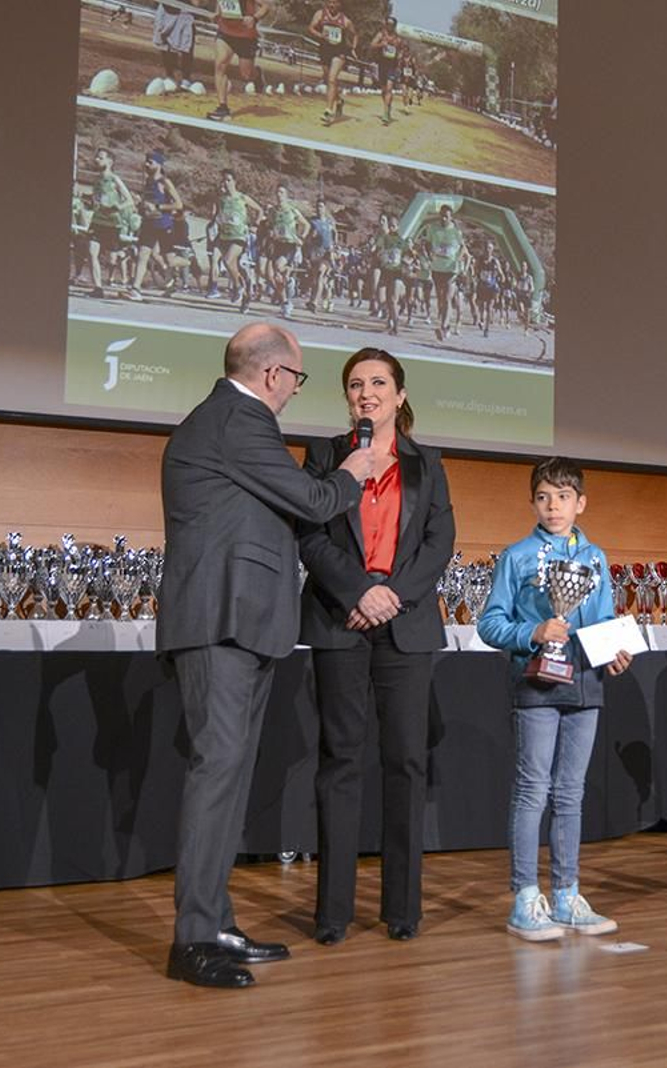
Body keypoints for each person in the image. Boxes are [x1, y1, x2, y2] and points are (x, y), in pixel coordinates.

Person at [159, 323, 378, 988]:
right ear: (273, 375)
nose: (292, 391)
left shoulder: (228, 420)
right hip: (219, 621)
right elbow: (310, 499)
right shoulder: (237, 418)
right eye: (298, 379)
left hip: (243, 623)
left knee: (227, 778)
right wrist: (352, 473)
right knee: (216, 773)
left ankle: (214, 921)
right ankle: (192, 938)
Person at [298, 348, 455, 945]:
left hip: (405, 623)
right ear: (348, 399)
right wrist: (360, 591)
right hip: (341, 619)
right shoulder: (325, 457)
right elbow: (310, 533)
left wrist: (392, 595)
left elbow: (440, 540)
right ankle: (333, 912)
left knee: (406, 763)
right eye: (356, 385)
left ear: (401, 394)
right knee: (340, 760)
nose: (367, 393)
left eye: (379, 383)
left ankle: (402, 909)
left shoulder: (428, 462)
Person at [478, 457, 634, 942]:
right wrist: (534, 631)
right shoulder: (517, 556)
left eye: (563, 496)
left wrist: (614, 653)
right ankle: (526, 897)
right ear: (532, 502)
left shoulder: (596, 558)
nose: (553, 506)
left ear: (580, 503)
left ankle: (567, 893)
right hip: (537, 684)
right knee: (533, 790)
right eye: (543, 496)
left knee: (570, 793)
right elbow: (490, 623)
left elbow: (605, 618)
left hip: (585, 684)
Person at [131, 149, 188, 300]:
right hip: (149, 224)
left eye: (150, 162)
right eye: (146, 161)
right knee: (143, 255)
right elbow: (148, 204)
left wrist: (157, 208)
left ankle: (188, 261)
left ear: (159, 164)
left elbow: (178, 204)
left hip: (164, 225)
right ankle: (135, 289)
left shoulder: (164, 182)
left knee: (170, 261)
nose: (146, 164)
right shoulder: (147, 182)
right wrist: (140, 204)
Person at [85, 147, 136, 300]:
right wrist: (92, 204)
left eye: (100, 157)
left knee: (113, 257)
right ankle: (98, 288)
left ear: (110, 161)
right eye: (96, 157)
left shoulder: (115, 179)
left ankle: (128, 278)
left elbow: (130, 201)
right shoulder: (97, 180)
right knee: (91, 252)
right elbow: (96, 200)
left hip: (112, 223)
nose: (96, 160)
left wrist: (117, 207)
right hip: (97, 221)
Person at [207, 0, 270, 122]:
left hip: (246, 36)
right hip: (225, 32)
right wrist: (217, 13)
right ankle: (222, 108)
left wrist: (254, 18)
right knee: (220, 64)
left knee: (246, 74)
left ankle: (256, 74)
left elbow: (266, 6)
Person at [211, 170, 262, 312]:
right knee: (232, 266)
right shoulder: (220, 199)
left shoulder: (242, 198)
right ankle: (245, 296)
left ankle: (238, 287)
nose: (225, 183)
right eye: (223, 180)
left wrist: (255, 224)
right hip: (224, 236)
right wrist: (213, 225)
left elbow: (259, 210)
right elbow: (216, 216)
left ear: (234, 182)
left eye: (228, 180)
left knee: (227, 261)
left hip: (239, 236)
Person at [419, 203, 466, 342]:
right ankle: (447, 325)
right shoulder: (433, 228)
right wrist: (429, 255)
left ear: (451, 217)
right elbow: (427, 243)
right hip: (437, 268)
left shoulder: (456, 232)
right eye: (442, 216)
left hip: (451, 270)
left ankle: (443, 327)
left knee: (447, 298)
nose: (444, 219)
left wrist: (457, 259)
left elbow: (463, 248)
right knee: (441, 299)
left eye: (447, 216)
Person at [264, 184, 310, 319]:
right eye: (277, 192)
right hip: (277, 244)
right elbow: (270, 225)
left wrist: (301, 237)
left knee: (278, 267)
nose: (279, 195)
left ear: (286, 195)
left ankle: (289, 276)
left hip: (290, 245)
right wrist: (270, 232)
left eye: (282, 192)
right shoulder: (272, 211)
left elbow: (306, 224)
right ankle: (285, 303)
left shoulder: (292, 211)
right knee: (275, 277)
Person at [309, 0, 356, 127]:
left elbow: (355, 35)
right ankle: (339, 101)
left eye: (335, 3)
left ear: (340, 4)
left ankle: (328, 112)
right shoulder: (320, 14)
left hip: (339, 52)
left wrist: (352, 48)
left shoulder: (345, 20)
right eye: (329, 2)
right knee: (327, 79)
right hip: (324, 50)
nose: (331, 5)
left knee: (331, 79)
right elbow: (311, 28)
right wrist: (320, 35)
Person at [368, 18, 407, 125]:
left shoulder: (398, 39)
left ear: (394, 26)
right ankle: (388, 107)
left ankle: (385, 113)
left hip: (392, 66)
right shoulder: (381, 35)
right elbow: (372, 45)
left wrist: (399, 56)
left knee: (389, 88)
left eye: (391, 24)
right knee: (384, 90)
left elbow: (402, 50)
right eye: (387, 24)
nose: (389, 26)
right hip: (382, 64)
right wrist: (381, 45)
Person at [153, 3, 196, 87]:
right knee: (164, 44)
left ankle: (185, 78)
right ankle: (170, 76)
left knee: (186, 46)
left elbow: (197, 2)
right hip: (166, 8)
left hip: (185, 11)